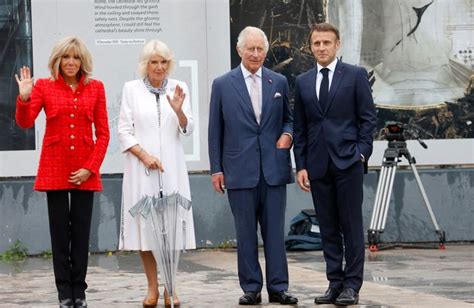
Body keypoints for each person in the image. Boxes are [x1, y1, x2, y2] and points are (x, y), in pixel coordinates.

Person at [15, 36, 110, 308]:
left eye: (75, 57)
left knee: (80, 235)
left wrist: (89, 168)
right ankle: (63, 293)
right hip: (55, 169)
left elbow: (103, 135)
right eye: (66, 57)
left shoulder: (96, 88)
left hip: (84, 171)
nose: (71, 62)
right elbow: (25, 122)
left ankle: (79, 291)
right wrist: (24, 97)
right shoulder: (44, 86)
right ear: (58, 60)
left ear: (83, 61)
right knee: (60, 235)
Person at [208, 26, 298, 305]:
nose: (256, 54)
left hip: (273, 169)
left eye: (260, 49)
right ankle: (251, 288)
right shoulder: (222, 84)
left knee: (274, 233)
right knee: (245, 234)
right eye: (251, 49)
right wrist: (216, 169)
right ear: (239, 50)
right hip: (239, 170)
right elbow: (215, 130)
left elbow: (289, 119)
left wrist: (288, 134)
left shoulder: (279, 82)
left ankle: (278, 287)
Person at [293, 22, 377, 306]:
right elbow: (301, 127)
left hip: (348, 163)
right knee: (328, 227)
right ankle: (335, 283)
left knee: (351, 226)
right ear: (311, 46)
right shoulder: (303, 81)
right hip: (317, 166)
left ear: (337, 44)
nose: (321, 48)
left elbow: (368, 119)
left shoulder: (355, 75)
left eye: (326, 43)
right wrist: (300, 165)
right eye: (316, 43)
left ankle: (352, 286)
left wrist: (362, 153)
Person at [118, 39, 195, 308]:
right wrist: (144, 156)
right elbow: (124, 131)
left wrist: (179, 112)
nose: (159, 67)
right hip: (143, 169)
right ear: (145, 64)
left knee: (172, 228)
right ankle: (152, 287)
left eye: (164, 62)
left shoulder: (179, 88)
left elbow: (188, 129)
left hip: (172, 167)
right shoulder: (131, 89)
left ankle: (170, 287)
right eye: (154, 62)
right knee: (147, 230)